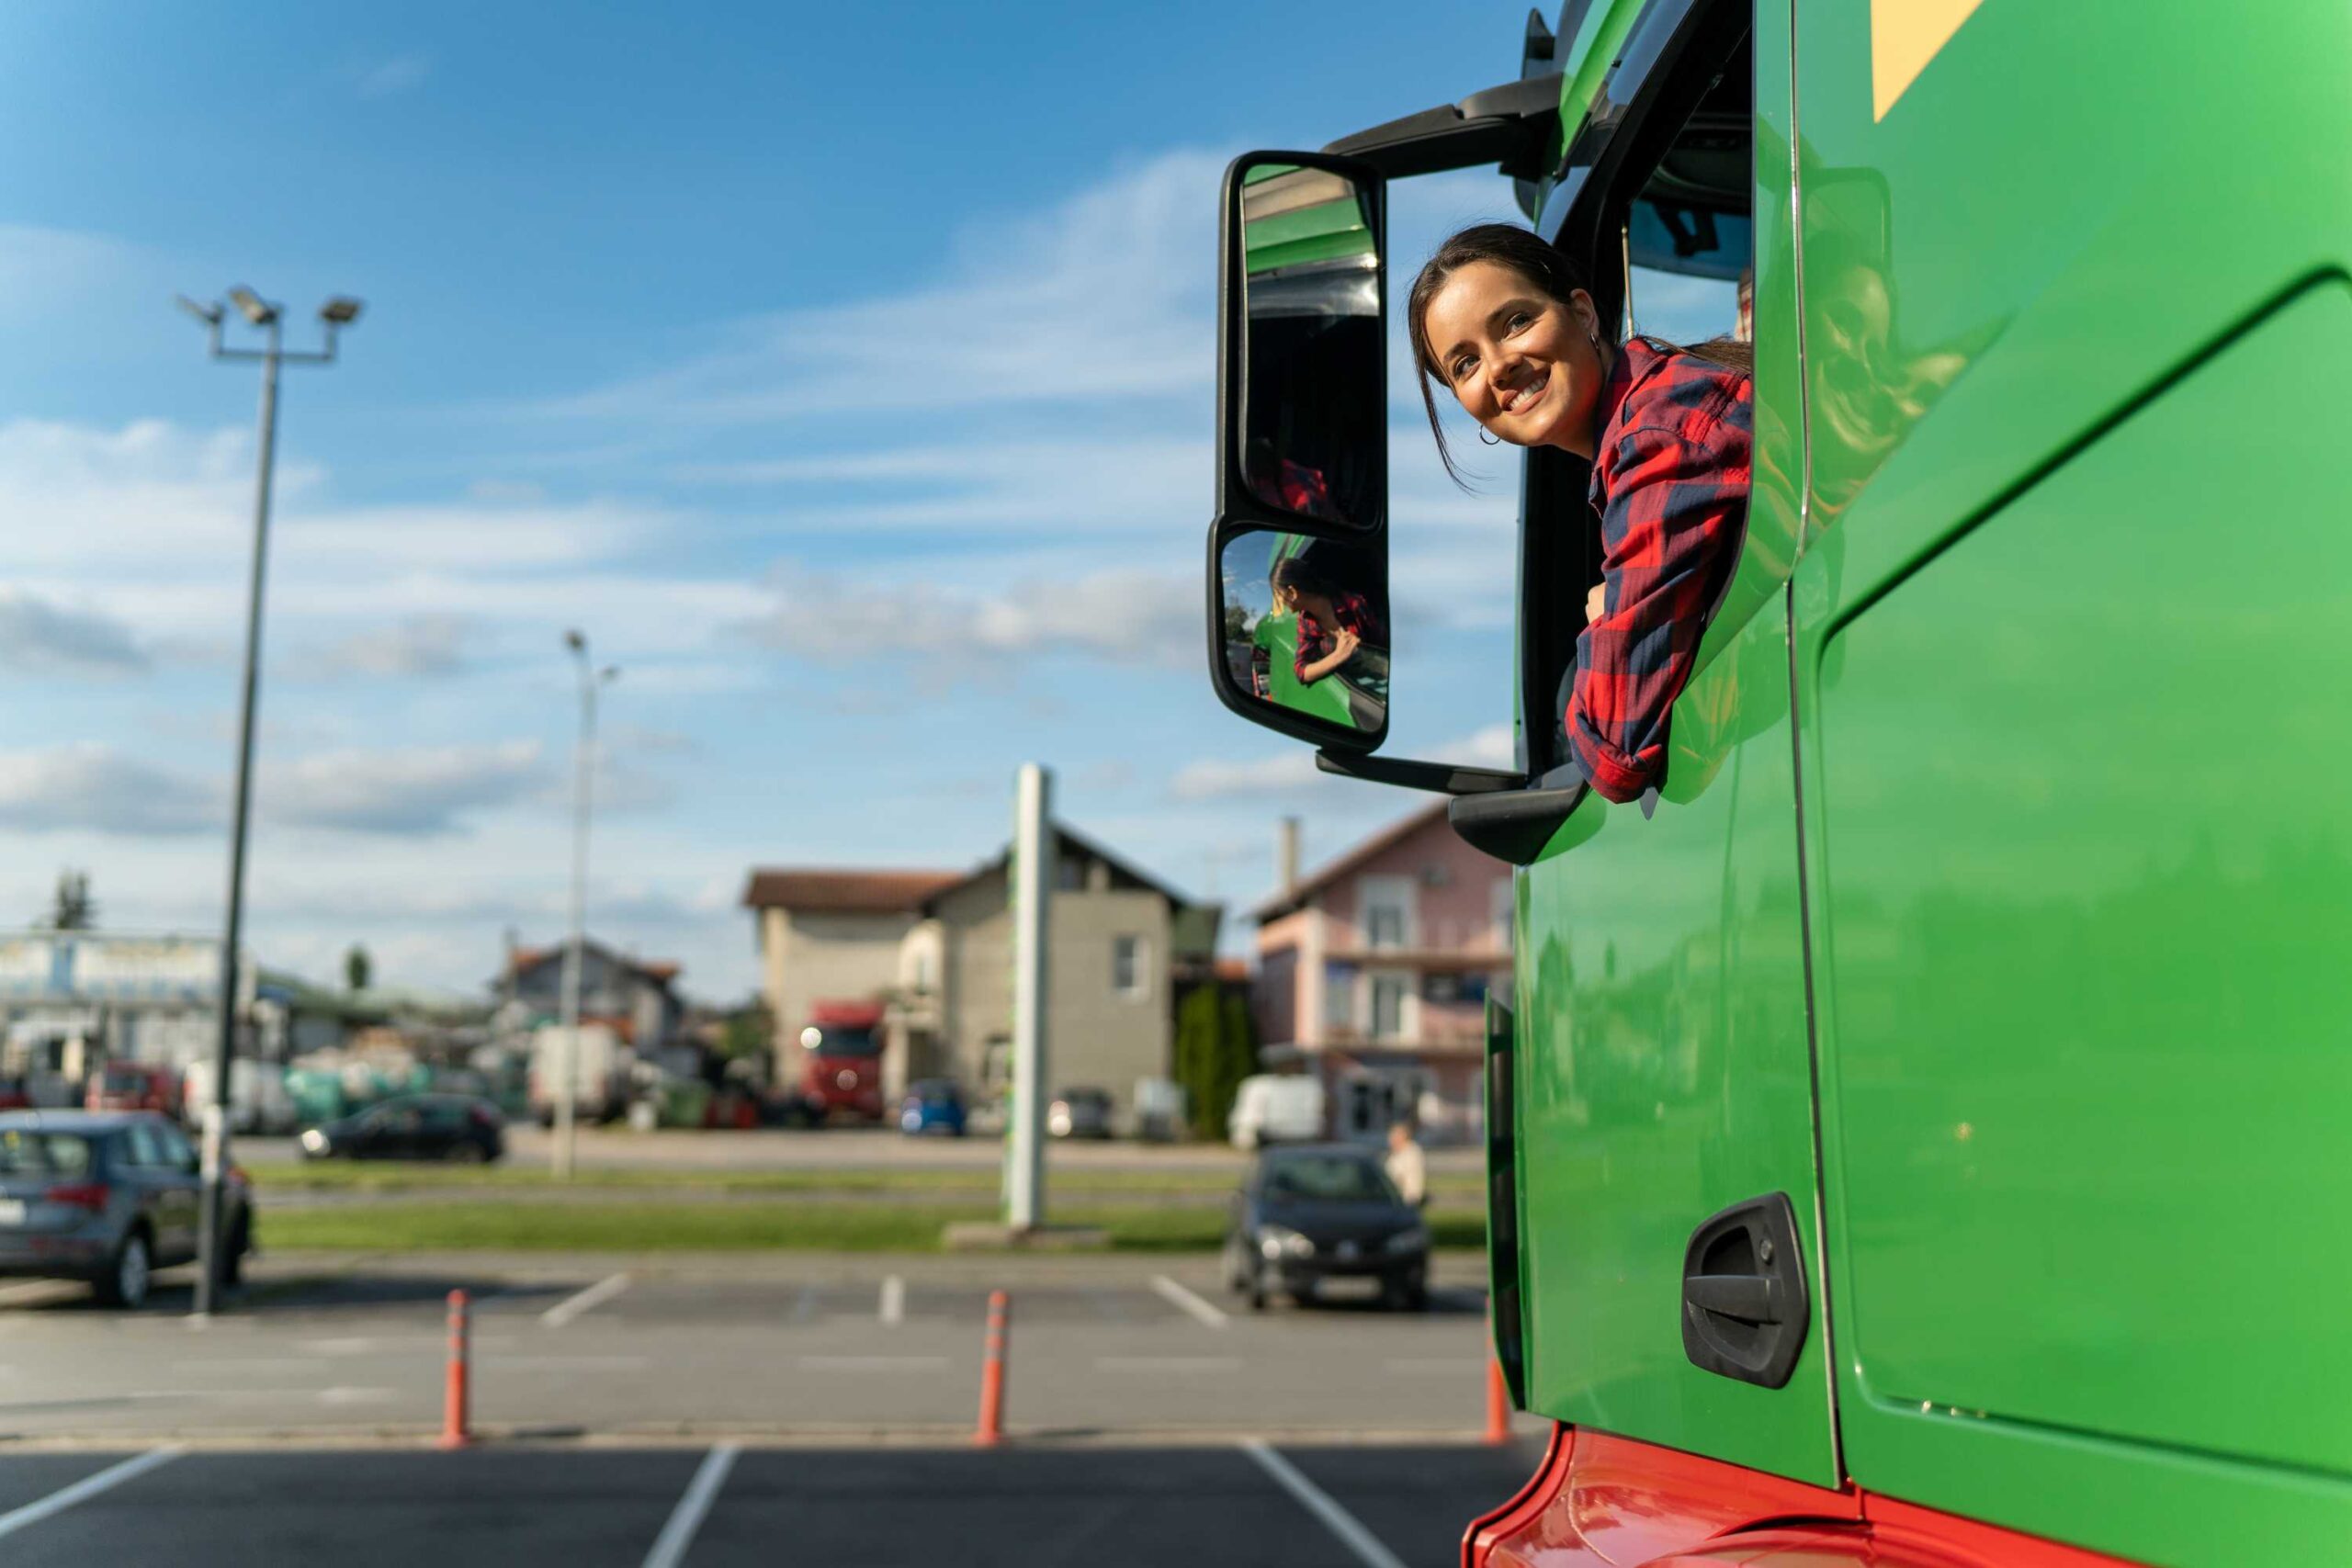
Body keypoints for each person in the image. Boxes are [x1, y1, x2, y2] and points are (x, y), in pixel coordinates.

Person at [1407, 223, 1752, 804]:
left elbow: (1614, 756)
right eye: (1464, 364)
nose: (1497, 368)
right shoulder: (1657, 406)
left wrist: (1601, 613)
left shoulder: (1658, 432)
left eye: (1515, 322)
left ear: (1584, 314)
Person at [1269, 553, 1389, 727]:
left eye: (1279, 595)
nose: (1279, 602)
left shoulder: (1355, 604)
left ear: (1292, 592)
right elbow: (1301, 671)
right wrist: (1338, 656)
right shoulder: (1305, 621)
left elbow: (1383, 648)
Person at [1384, 1119, 1427, 1209]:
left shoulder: (1411, 1153)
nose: (1390, 1140)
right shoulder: (1396, 1153)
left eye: (1392, 1137)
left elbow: (1398, 1176)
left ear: (1402, 1136)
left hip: (1406, 1198)